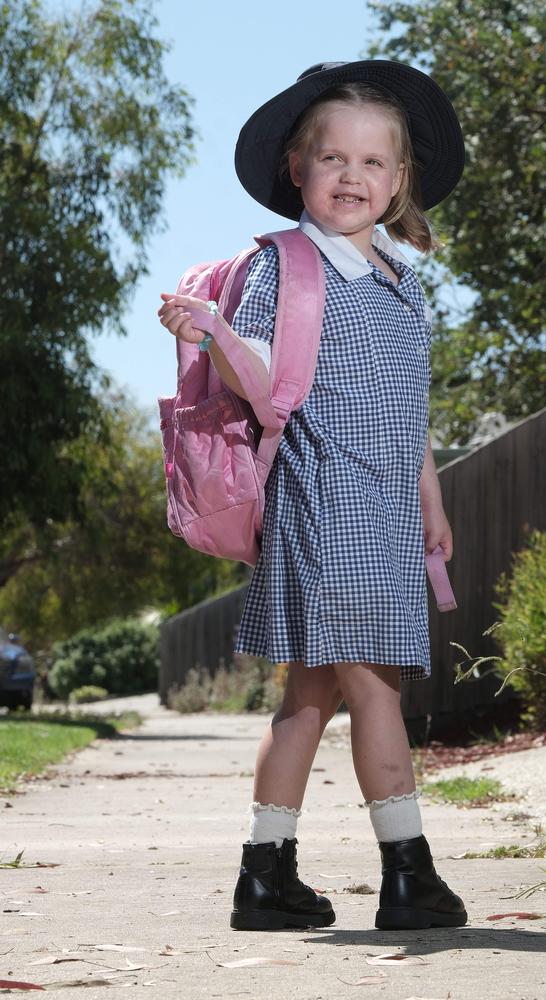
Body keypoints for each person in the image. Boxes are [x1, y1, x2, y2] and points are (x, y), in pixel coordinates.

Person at [157, 60, 467, 932]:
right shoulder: (285, 269)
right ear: (297, 167)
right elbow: (260, 386)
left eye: (373, 163)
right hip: (326, 507)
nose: (353, 178)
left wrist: (429, 497)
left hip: (385, 512)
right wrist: (212, 332)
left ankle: (266, 876)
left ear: (401, 179)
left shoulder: (405, 286)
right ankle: (408, 876)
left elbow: (409, 411)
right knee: (377, 690)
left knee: (310, 696)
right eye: (333, 160)